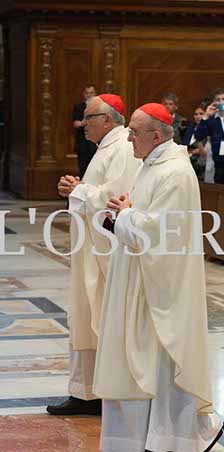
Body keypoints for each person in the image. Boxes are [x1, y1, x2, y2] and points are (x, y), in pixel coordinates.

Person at [94, 103, 224, 452]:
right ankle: (132, 441)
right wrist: (125, 210)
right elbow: (145, 216)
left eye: (134, 132)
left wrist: (125, 214)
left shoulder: (176, 172)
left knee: (160, 363)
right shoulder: (150, 165)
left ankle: (168, 442)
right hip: (139, 276)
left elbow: (159, 232)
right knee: (138, 359)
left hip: (161, 286)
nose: (129, 138)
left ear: (156, 135)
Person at [48, 94, 141, 417]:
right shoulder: (106, 148)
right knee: (85, 315)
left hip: (106, 252)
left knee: (100, 316)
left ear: (108, 119)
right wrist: (77, 187)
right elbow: (97, 192)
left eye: (89, 118)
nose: (83, 123)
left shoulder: (123, 149)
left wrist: (79, 190)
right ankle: (84, 391)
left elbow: (114, 199)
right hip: (90, 249)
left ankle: (102, 392)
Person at [72, 84, 98, 178]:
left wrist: (83, 123)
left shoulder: (99, 107)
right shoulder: (78, 107)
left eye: (91, 93)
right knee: (83, 169)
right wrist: (89, 122)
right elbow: (76, 124)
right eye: (87, 93)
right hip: (82, 142)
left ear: (95, 94)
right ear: (84, 94)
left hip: (94, 142)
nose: (89, 95)